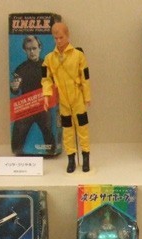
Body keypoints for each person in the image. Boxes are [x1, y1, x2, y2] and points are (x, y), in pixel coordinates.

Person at [42, 22, 91, 173]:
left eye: (61, 37)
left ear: (67, 36)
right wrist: (46, 95)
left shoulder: (78, 55)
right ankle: (71, 158)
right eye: (55, 38)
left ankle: (86, 157)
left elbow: (85, 77)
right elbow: (46, 79)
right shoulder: (49, 58)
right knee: (67, 130)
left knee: (82, 128)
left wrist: (87, 96)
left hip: (77, 97)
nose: (58, 41)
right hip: (63, 100)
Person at [10, 35, 55, 156]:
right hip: (26, 108)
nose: (32, 52)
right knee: (16, 141)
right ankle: (18, 153)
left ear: (40, 48)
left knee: (49, 135)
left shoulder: (46, 66)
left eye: (34, 48)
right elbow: (15, 91)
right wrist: (14, 87)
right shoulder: (20, 69)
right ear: (25, 50)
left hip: (43, 106)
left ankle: (51, 153)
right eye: (29, 49)